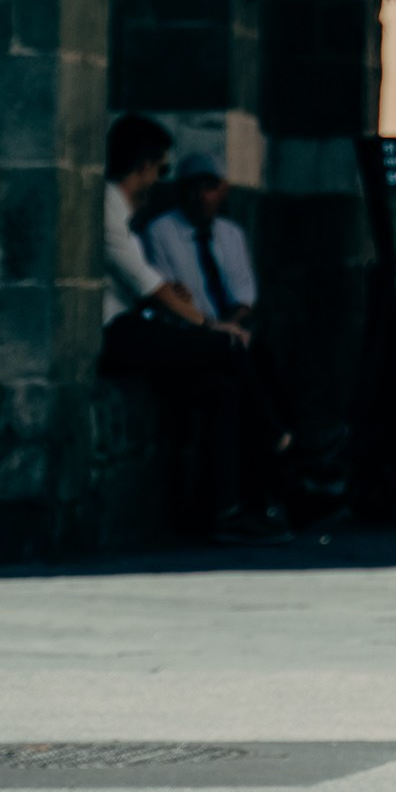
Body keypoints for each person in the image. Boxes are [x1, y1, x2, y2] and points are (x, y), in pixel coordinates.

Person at [97, 115, 276, 543]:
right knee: (228, 349)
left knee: (222, 388)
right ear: (143, 165)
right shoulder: (106, 208)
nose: (158, 179)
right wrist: (210, 327)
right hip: (120, 332)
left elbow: (152, 285)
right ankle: (279, 437)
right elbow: (148, 285)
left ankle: (228, 510)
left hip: (138, 323)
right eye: (160, 169)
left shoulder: (124, 213)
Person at [143, 155, 258, 332]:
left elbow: (243, 294)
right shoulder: (160, 231)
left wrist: (228, 327)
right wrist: (211, 329)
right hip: (186, 331)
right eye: (194, 188)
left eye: (210, 187)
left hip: (229, 328)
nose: (202, 196)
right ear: (181, 190)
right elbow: (169, 297)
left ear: (223, 190)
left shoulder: (232, 234)